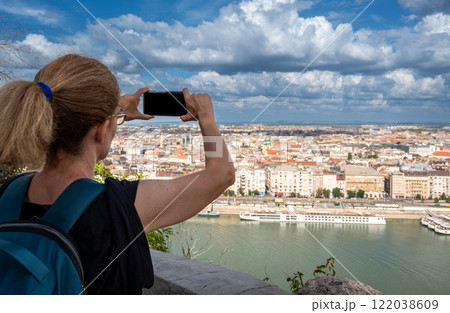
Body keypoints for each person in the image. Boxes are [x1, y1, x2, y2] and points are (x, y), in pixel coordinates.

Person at [0, 54, 235, 294]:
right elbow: (222, 174)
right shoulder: (117, 207)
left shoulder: (8, 192)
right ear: (102, 130)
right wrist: (206, 117)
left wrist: (111, 111)